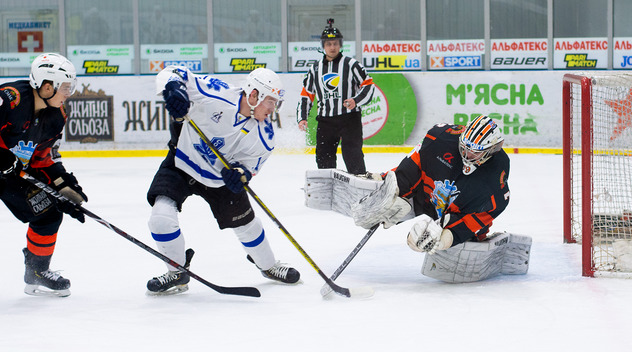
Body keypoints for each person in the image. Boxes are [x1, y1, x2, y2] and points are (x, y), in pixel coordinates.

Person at [145, 65, 301, 295]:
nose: (273, 108)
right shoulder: (217, 93)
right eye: (270, 101)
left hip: (218, 179)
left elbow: (250, 167)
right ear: (254, 94)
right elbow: (173, 72)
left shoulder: (265, 136)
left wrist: (241, 174)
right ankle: (176, 273)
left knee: (247, 226)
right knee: (160, 218)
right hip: (182, 162)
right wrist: (173, 88)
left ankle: (268, 266)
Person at [349, 115, 531, 283]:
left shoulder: (494, 180)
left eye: (474, 152)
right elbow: (414, 164)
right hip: (426, 196)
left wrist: (447, 237)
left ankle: (474, 238)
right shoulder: (440, 138)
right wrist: (393, 190)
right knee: (394, 196)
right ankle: (393, 194)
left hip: (458, 211)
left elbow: (481, 213)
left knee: (453, 245)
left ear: (490, 151)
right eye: (464, 148)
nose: (466, 155)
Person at [0, 53, 88, 297]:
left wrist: (62, 184)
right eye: (65, 87)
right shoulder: (10, 99)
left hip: (9, 175)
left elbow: (42, 159)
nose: (68, 94)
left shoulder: (55, 117)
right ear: (46, 86)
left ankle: (36, 271)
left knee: (48, 214)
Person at [297, 18, 375, 175]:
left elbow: (369, 86)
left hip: (350, 120)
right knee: (324, 160)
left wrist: (356, 101)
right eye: (328, 44)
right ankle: (328, 194)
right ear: (323, 46)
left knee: (353, 157)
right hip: (326, 122)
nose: (332, 47)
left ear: (340, 45)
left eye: (335, 44)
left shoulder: (352, 65)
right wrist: (302, 117)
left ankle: (359, 191)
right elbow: (307, 94)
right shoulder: (315, 69)